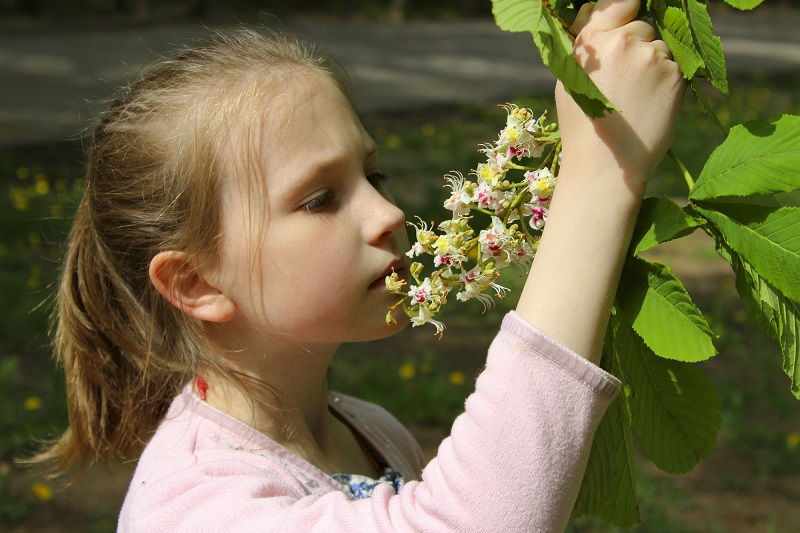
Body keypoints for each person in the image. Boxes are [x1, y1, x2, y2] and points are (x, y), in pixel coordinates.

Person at [37, 0, 684, 530]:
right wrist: (601, 174)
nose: (387, 214)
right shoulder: (194, 505)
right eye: (320, 198)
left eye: (375, 174)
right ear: (196, 281)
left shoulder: (371, 432)